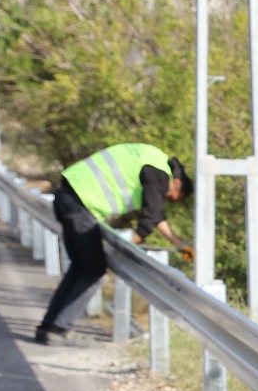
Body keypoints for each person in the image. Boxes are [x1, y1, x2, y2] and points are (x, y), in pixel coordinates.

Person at [32, 143, 193, 345]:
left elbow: (155, 214)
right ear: (176, 183)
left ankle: (48, 327)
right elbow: (149, 219)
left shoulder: (152, 157)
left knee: (80, 267)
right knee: (93, 270)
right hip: (82, 205)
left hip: (67, 196)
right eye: (171, 198)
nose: (166, 199)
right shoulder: (160, 173)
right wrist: (128, 245)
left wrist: (179, 243)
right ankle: (58, 329)